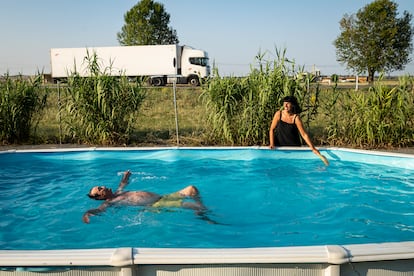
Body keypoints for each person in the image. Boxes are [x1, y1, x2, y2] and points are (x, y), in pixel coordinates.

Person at [82, 170, 207, 223]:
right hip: (156, 205)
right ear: (99, 197)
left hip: (163, 197)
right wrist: (87, 213)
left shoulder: (118, 192)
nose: (103, 186)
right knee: (194, 206)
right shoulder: (110, 202)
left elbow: (123, 184)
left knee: (191, 189)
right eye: (100, 189)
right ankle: (205, 217)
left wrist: (126, 176)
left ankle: (201, 211)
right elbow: (99, 210)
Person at [269, 95, 329, 165]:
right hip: (279, 146)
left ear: (292, 105)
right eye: (284, 103)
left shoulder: (296, 118)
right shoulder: (278, 114)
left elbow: (304, 134)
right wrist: (272, 144)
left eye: (288, 103)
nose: (285, 105)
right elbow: (271, 129)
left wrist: (313, 148)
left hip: (294, 147)